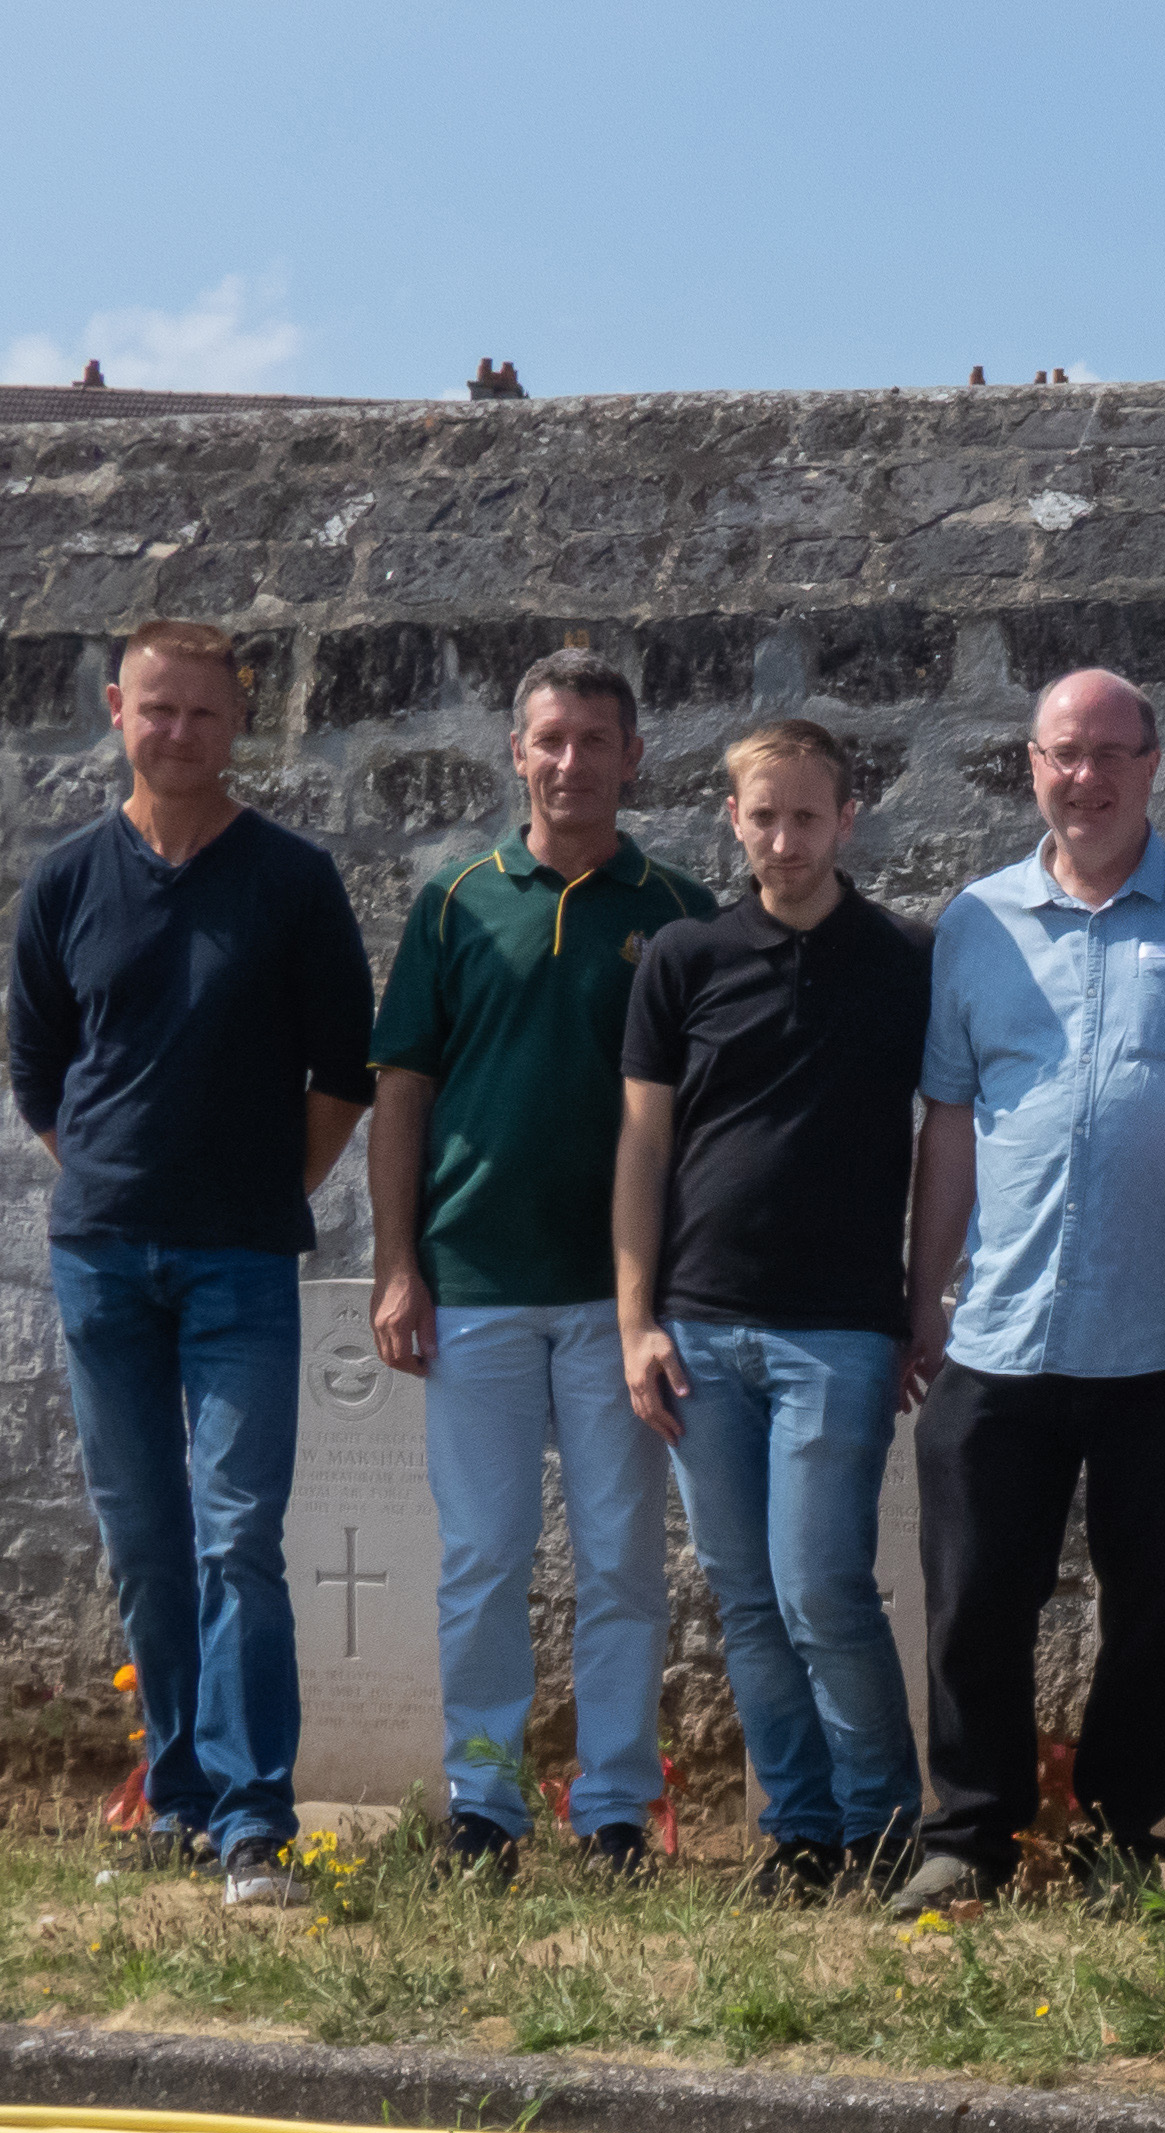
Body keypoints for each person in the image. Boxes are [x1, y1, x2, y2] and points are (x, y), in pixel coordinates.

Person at [892, 669, 1165, 1917]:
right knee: (974, 1601)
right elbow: (952, 1121)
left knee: (1152, 1603)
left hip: (1164, 1340)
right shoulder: (977, 921)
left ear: (1154, 763)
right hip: (1001, 1333)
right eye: (1062, 755)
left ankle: (1120, 1837)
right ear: (1030, 766)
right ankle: (970, 1833)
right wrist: (927, 1297)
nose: (1086, 778)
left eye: (1109, 754)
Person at [9, 620, 376, 1909]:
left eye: (204, 716)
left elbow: (346, 1069)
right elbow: (38, 1075)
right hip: (100, 1260)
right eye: (157, 711)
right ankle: (175, 1797)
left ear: (238, 725)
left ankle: (254, 1818)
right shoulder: (65, 880)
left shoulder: (290, 879)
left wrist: (271, 1190)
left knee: (239, 1540)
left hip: (239, 1266)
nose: (179, 735)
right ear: (118, 708)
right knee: (144, 1544)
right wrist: (111, 1180)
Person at [365, 649, 713, 1880]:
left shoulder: (678, 911)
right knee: (483, 1559)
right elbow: (401, 1089)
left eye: (595, 742)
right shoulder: (455, 902)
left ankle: (616, 1808)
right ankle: (485, 1806)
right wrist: (397, 1264)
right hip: (478, 1290)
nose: (572, 764)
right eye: (549, 740)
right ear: (516, 752)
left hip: (623, 1304)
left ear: (634, 758)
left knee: (621, 1562)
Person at [613, 722, 934, 1903]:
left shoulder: (907, 960)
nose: (785, 840)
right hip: (698, 1327)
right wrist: (635, 1319)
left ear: (848, 820)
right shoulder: (683, 958)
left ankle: (883, 1826)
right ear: (733, 821)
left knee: (820, 1589)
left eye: (808, 817)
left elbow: (947, 1132)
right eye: (764, 817)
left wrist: (923, 1300)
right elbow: (643, 1149)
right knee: (746, 1600)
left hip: (838, 1332)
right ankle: (798, 1832)